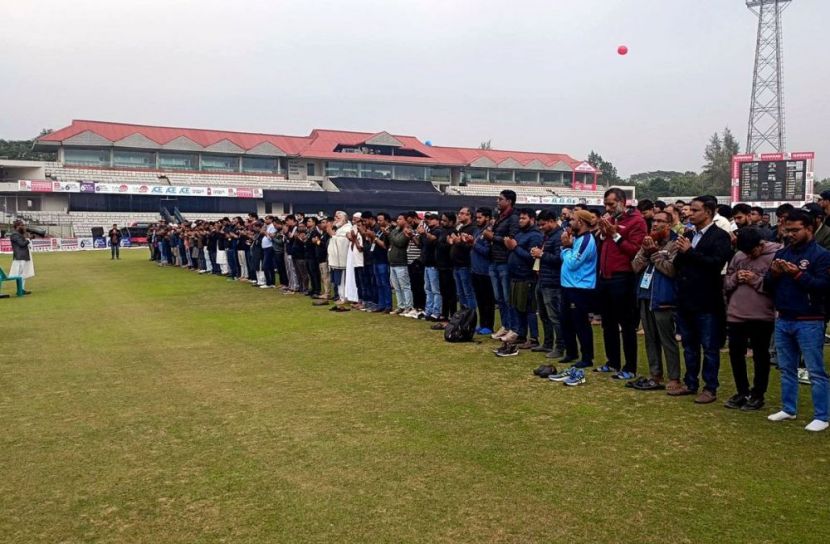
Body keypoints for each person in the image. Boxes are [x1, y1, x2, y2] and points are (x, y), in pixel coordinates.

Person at [764, 210, 830, 432]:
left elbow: (823, 286)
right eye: (787, 229)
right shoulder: (782, 253)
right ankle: (788, 408)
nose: (789, 234)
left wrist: (798, 275)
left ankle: (822, 415)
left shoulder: (822, 255)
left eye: (795, 230)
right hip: (784, 318)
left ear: (809, 229)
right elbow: (767, 286)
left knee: (815, 370)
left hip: (809, 320)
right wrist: (773, 274)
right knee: (786, 367)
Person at [671, 196, 734, 404]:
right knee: (689, 345)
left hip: (707, 299)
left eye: (695, 210)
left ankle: (710, 387)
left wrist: (691, 252)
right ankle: (690, 383)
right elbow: (679, 263)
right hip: (686, 298)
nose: (689, 214)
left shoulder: (720, 236)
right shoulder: (689, 234)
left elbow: (715, 264)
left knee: (709, 347)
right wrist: (682, 252)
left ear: (708, 212)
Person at [723, 227, 781, 411]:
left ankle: (758, 394)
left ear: (761, 244)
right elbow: (726, 282)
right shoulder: (739, 256)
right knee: (735, 355)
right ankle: (742, 391)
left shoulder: (777, 255)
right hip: (736, 313)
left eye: (752, 251)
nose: (749, 255)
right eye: (745, 252)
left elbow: (777, 286)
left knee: (760, 355)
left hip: (762, 314)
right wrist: (736, 278)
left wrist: (756, 279)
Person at [594, 187, 647, 380]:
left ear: (622, 202)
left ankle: (630, 366)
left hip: (623, 277)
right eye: (605, 204)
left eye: (611, 204)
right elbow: (601, 247)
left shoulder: (636, 221)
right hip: (605, 277)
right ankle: (612, 362)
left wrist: (615, 235)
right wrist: (602, 233)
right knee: (607, 323)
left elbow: (635, 250)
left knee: (625, 324)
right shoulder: (609, 219)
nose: (607, 208)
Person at [631, 210, 681, 391]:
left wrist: (655, 253)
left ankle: (674, 377)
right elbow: (635, 267)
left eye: (660, 221)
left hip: (664, 298)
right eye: (653, 220)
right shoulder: (648, 241)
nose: (655, 224)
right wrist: (645, 251)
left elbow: (671, 270)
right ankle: (655, 374)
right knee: (650, 338)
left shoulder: (676, 244)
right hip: (645, 295)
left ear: (669, 225)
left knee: (667, 339)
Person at [495, 208, 543, 356]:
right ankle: (521, 335)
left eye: (523, 218)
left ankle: (534, 338)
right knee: (517, 307)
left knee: (528, 308)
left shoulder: (535, 236)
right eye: (520, 218)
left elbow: (531, 257)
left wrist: (515, 247)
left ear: (532, 219)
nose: (520, 221)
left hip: (526, 276)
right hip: (515, 275)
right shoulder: (519, 233)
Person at [557, 210, 598, 370]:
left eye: (573, 219)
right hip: (568, 286)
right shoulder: (577, 239)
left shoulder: (587, 240)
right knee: (566, 321)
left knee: (580, 323)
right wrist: (566, 250)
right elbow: (566, 259)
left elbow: (573, 263)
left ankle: (587, 357)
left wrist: (566, 248)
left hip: (580, 287)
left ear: (581, 222)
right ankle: (571, 352)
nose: (569, 222)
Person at [484, 190, 519, 340]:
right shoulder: (499, 217)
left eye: (501, 199)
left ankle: (513, 327)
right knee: (499, 298)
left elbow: (511, 240)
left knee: (507, 298)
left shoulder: (513, 218)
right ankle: (505, 325)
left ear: (509, 201)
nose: (498, 201)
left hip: (505, 261)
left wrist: (493, 237)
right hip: (494, 260)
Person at [531, 209, 565, 362]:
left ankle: (559, 346)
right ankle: (548, 342)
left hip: (553, 282)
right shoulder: (548, 236)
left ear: (552, 221)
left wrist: (542, 255)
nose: (541, 227)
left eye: (543, 224)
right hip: (543, 279)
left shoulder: (559, 237)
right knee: (544, 315)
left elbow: (560, 259)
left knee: (554, 316)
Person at [471, 207, 496, 335]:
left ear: (487, 218)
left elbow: (487, 252)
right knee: (480, 300)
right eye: (477, 217)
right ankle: (482, 323)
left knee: (488, 300)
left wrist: (474, 244)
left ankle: (489, 325)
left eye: (480, 217)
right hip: (476, 270)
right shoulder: (477, 230)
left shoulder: (489, 232)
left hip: (486, 271)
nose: (477, 219)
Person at [450, 207, 477, 311]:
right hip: (457, 265)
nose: (459, 215)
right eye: (459, 213)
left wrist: (459, 242)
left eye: (462, 213)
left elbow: (470, 247)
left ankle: (471, 317)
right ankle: (463, 316)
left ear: (469, 215)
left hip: (465, 265)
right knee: (460, 293)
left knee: (468, 292)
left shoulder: (472, 229)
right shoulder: (461, 228)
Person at [388, 213, 414, 315]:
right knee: (397, 287)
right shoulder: (395, 231)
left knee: (405, 286)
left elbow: (399, 242)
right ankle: (401, 306)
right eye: (397, 219)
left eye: (400, 219)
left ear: (405, 221)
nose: (398, 221)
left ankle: (408, 306)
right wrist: (392, 233)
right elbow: (392, 239)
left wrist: (391, 234)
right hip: (393, 263)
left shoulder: (406, 231)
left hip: (401, 263)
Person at [418, 213, 442, 321]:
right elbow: (422, 245)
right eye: (428, 219)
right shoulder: (430, 232)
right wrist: (421, 235)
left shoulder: (438, 231)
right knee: (428, 289)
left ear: (437, 220)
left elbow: (433, 241)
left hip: (434, 264)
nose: (429, 221)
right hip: (427, 264)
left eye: (431, 219)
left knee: (435, 290)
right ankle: (429, 310)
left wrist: (424, 233)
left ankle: (436, 311)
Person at [9, 220, 33, 295]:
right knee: (20, 274)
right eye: (21, 225)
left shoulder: (19, 234)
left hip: (23, 256)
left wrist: (29, 238)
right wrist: (29, 239)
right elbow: (22, 244)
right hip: (19, 257)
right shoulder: (14, 235)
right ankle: (20, 290)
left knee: (23, 274)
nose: (23, 226)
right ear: (17, 226)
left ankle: (22, 289)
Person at [260, 216, 277, 288]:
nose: (265, 220)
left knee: (265, 266)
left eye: (267, 219)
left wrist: (265, 232)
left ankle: (268, 283)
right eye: (265, 219)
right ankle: (272, 283)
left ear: (271, 219)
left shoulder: (272, 227)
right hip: (265, 248)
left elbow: (271, 238)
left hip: (269, 247)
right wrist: (264, 229)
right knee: (270, 266)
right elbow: (261, 232)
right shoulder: (267, 226)